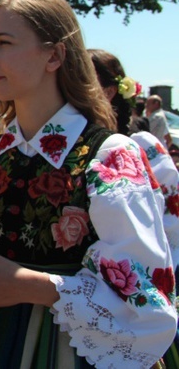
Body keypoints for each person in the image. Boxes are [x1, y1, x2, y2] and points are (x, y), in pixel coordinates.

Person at [0, 0, 177, 367]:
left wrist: (33, 286)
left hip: (71, 345)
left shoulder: (109, 156)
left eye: (4, 42)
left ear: (54, 55)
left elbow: (145, 293)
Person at [88, 48, 179, 277]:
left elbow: (170, 229)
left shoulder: (141, 148)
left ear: (108, 91)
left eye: (80, 78)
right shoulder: (71, 150)